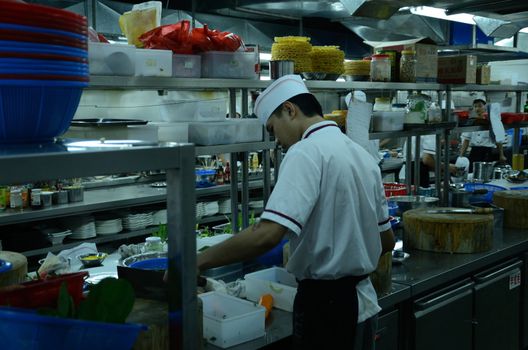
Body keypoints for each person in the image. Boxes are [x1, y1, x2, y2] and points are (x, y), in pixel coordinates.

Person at [197, 75, 395, 349]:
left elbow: (267, 235)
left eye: (272, 128)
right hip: (364, 304)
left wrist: (199, 261)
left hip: (327, 311)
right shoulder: (361, 155)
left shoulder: (305, 152)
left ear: (290, 110)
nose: (276, 140)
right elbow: (386, 241)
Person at [459, 99, 507, 171]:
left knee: (485, 173)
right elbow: (466, 140)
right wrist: (461, 156)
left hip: (487, 152)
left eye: (480, 106)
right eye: (475, 106)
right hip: (474, 152)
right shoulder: (472, 122)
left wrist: (501, 155)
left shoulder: (492, 121)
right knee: (472, 173)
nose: (477, 108)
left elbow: (498, 139)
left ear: (485, 107)